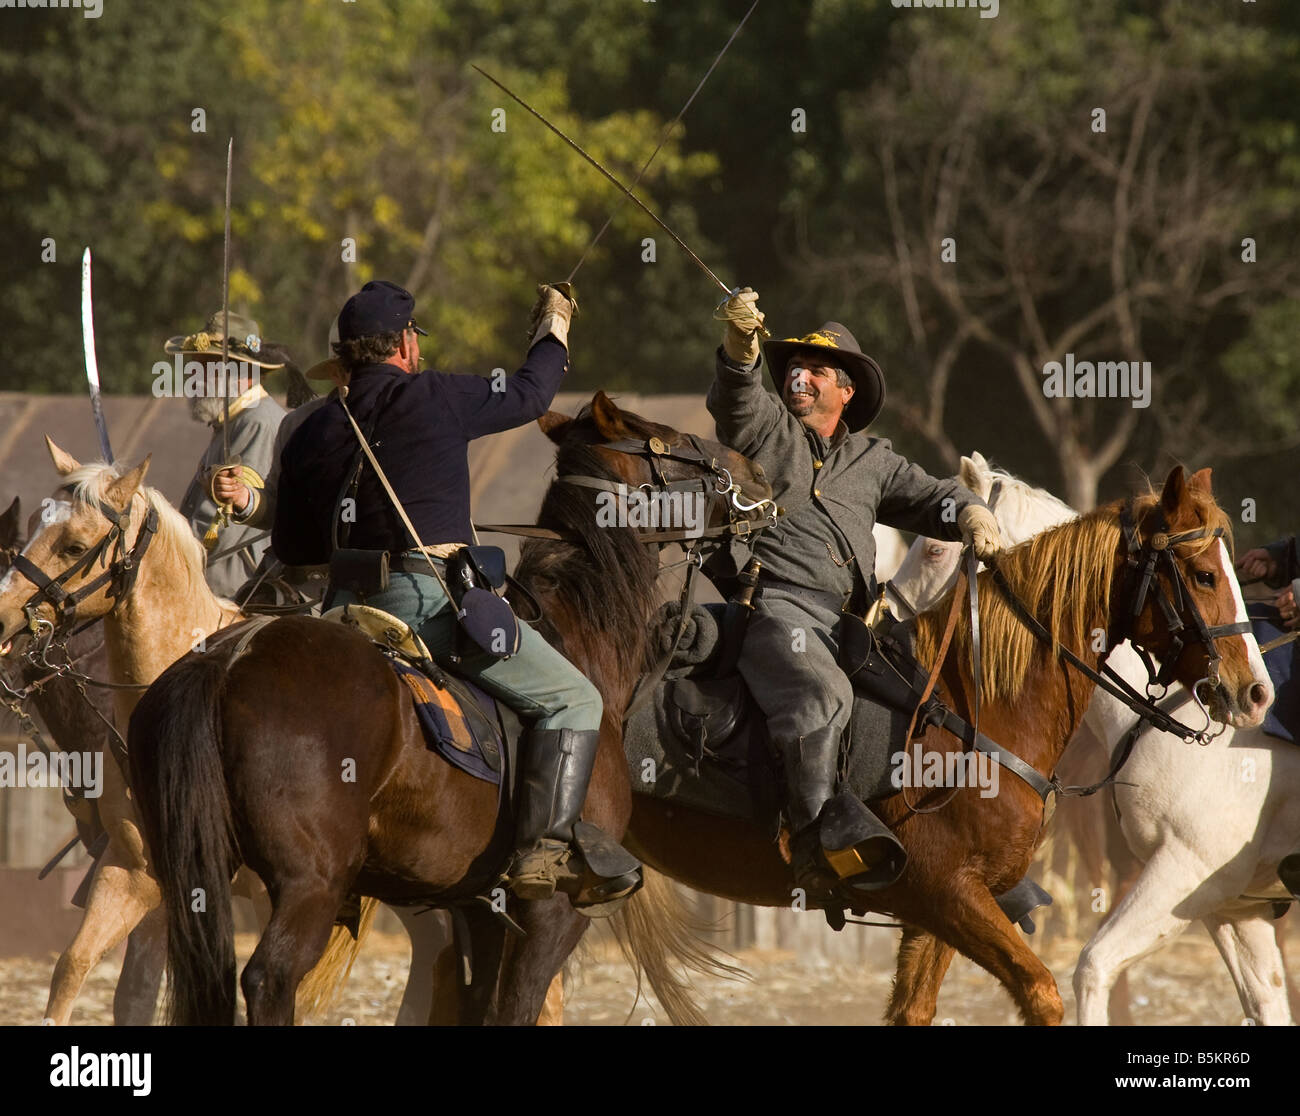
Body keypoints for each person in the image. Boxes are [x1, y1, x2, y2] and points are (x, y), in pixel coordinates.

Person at [273, 279, 638, 904]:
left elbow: (295, 548)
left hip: (339, 613)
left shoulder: (312, 428)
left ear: (346, 358)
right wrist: (554, 327)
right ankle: (543, 852)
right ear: (407, 344)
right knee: (574, 699)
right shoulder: (433, 395)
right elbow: (530, 393)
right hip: (424, 606)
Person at [708, 288, 1002, 895]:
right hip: (778, 609)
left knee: (936, 714)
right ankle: (818, 850)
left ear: (846, 391)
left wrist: (971, 512)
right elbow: (738, 402)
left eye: (815, 371)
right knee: (819, 697)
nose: (798, 377)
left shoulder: (875, 459)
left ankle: (974, 862)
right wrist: (740, 352)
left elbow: (929, 497)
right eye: (792, 367)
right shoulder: (768, 430)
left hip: (856, 629)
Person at [169, 311, 289, 599]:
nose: (194, 378)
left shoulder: (257, 422)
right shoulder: (232, 421)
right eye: (195, 367)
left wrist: (166, 562)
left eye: (208, 367)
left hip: (231, 595)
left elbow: (220, 523)